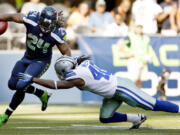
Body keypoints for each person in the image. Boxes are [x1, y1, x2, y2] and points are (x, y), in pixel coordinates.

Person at [18, 56, 180, 129]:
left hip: (122, 88)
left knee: (153, 105)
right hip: (112, 93)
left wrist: (33, 79)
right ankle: (137, 119)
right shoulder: (83, 64)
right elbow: (74, 61)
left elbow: (58, 85)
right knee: (105, 118)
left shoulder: (77, 77)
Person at [0, 6, 71, 126]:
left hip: (41, 62)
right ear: (39, 19)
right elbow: (11, 16)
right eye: (43, 23)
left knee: (21, 85)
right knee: (12, 84)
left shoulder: (56, 34)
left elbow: (66, 51)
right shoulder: (31, 20)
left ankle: (6, 114)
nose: (45, 27)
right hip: (26, 58)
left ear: (54, 23)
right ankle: (41, 93)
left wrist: (67, 61)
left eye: (48, 24)